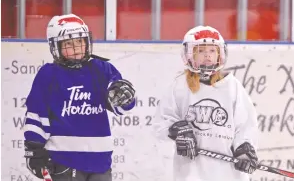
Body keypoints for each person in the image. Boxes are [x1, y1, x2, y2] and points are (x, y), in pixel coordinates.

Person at [22, 14, 136, 181]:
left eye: (79, 42)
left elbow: (121, 107)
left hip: (101, 161)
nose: (76, 48)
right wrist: (34, 151)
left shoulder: (102, 69)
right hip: (63, 161)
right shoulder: (48, 74)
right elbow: (37, 115)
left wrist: (124, 97)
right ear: (55, 46)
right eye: (68, 43)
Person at [154, 25, 259, 181]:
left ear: (219, 54)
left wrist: (244, 147)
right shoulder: (179, 86)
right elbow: (161, 124)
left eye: (212, 51)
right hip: (191, 173)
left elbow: (246, 125)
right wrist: (177, 131)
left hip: (228, 173)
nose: (207, 56)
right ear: (190, 55)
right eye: (201, 51)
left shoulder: (232, 86)